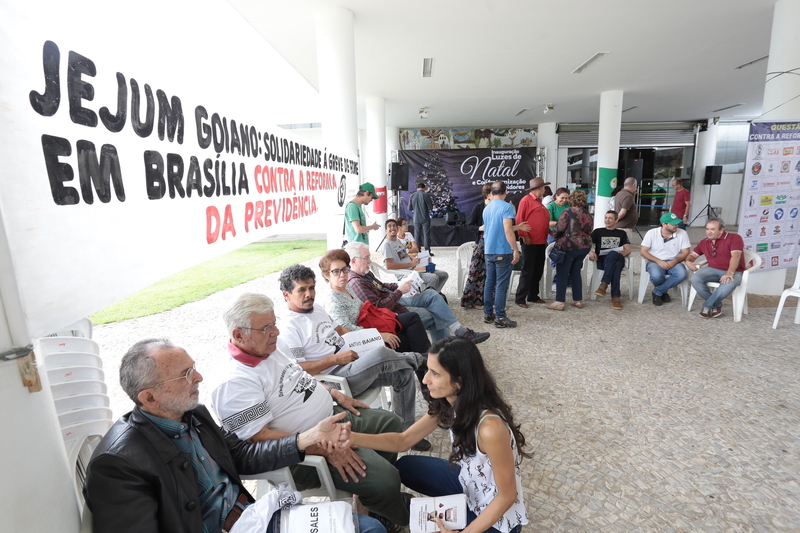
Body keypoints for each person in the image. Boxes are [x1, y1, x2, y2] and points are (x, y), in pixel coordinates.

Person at [83, 338, 386, 533]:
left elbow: (240, 454)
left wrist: (303, 440)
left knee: (368, 528)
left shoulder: (193, 414)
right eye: (185, 374)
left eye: (193, 368)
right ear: (149, 397)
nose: (199, 377)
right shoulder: (118, 464)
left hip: (255, 516)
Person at [210, 293, 410, 529]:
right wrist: (319, 446)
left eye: (274, 323)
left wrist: (333, 393)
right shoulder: (234, 383)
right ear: (238, 335)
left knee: (390, 424)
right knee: (386, 479)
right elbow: (259, 439)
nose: (276, 332)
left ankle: (375, 503)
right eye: (266, 328)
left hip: (330, 419)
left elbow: (300, 376)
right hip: (302, 451)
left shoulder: (267, 349)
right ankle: (397, 515)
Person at [350, 337, 529, 533]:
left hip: (496, 516)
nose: (425, 380)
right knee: (403, 467)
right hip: (468, 485)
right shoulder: (448, 403)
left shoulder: (490, 428)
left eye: (435, 373)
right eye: (427, 370)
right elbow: (403, 440)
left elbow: (507, 496)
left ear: (459, 381)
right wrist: (349, 438)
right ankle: (412, 509)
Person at [276, 264, 424, 439]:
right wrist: (336, 359)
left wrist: (368, 339)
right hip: (335, 379)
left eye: (311, 288)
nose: (309, 294)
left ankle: (405, 432)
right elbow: (300, 370)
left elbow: (340, 330)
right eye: (301, 290)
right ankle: (424, 360)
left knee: (403, 374)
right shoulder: (288, 327)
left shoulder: (316, 308)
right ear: (286, 295)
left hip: (353, 362)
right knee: (380, 354)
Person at [345, 241, 490, 344]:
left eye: (369, 257)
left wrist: (401, 284)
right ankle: (447, 349)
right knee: (435, 314)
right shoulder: (357, 282)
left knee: (433, 295)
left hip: (396, 300)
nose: (370, 261)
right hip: (392, 311)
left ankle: (455, 336)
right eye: (366, 258)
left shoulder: (365, 274)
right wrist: (399, 291)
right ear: (353, 261)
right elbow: (379, 308)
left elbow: (382, 285)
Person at [320, 248, 431, 357]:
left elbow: (366, 304)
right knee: (411, 338)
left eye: (345, 269)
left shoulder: (345, 286)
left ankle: (426, 362)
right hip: (362, 341)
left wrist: (386, 315)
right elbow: (346, 331)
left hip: (371, 323)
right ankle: (426, 363)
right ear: (327, 275)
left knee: (412, 318)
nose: (342, 274)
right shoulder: (333, 299)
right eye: (336, 271)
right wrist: (379, 335)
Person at [684, 217, 746, 318]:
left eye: (712, 229)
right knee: (695, 278)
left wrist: (729, 273)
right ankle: (717, 304)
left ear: (721, 230)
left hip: (734, 270)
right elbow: (693, 255)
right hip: (712, 269)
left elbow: (736, 256)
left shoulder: (734, 238)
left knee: (728, 283)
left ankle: (707, 306)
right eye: (707, 229)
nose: (709, 232)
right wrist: (688, 261)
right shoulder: (705, 242)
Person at [546, 189, 593, 311]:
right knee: (575, 272)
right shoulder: (587, 213)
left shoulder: (568, 212)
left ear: (572, 199)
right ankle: (577, 300)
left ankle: (559, 302)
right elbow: (590, 230)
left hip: (569, 246)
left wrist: (553, 235)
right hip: (584, 247)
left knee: (562, 273)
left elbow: (559, 228)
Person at [483, 181, 520, 328]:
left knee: (489, 283)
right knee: (501, 285)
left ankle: (488, 314)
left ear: (491, 192)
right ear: (506, 191)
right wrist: (515, 249)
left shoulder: (487, 208)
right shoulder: (507, 207)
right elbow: (508, 229)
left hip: (489, 250)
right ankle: (500, 317)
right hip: (502, 250)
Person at [640, 212, 691, 306]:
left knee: (682, 274)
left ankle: (658, 291)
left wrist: (675, 261)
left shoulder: (682, 233)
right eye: (673, 224)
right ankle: (663, 292)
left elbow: (686, 252)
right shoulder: (651, 233)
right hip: (655, 260)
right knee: (656, 275)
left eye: (677, 223)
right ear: (664, 224)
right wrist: (658, 261)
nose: (676, 225)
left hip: (674, 260)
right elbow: (643, 251)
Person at [383, 218, 449, 292]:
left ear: (397, 228)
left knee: (444, 275)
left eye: (394, 225)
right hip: (406, 273)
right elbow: (389, 266)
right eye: (389, 226)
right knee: (433, 278)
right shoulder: (387, 245)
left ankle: (433, 294)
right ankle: (429, 296)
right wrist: (410, 264)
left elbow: (405, 254)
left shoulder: (397, 241)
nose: (392, 228)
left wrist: (415, 259)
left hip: (414, 267)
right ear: (386, 230)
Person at [514, 177, 551, 308]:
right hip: (530, 241)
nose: (545, 190)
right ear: (539, 188)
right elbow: (519, 219)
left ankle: (533, 295)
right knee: (528, 270)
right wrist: (524, 235)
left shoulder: (539, 201)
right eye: (543, 187)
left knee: (538, 269)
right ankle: (520, 298)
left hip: (541, 240)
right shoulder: (526, 200)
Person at [589, 210, 632, 310]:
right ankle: (615, 297)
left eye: (610, 218)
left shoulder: (621, 233)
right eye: (606, 218)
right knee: (616, 266)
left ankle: (604, 284)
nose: (607, 220)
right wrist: (590, 251)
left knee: (613, 254)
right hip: (603, 260)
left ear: (616, 220)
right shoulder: (598, 232)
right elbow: (586, 244)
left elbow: (628, 249)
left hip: (618, 257)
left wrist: (626, 252)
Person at [461, 183, 492, 309]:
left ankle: (490, 301)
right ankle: (474, 301)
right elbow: (469, 226)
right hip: (481, 244)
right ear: (488, 194)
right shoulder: (479, 207)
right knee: (477, 272)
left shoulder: (497, 207)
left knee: (491, 273)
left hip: (493, 244)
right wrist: (480, 228)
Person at [409, 180, 434, 254]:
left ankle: (418, 250)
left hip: (416, 218)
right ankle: (427, 251)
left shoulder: (412, 195)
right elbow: (430, 207)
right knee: (426, 235)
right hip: (425, 218)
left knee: (417, 235)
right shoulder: (425, 195)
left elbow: (409, 208)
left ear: (417, 188)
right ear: (424, 188)